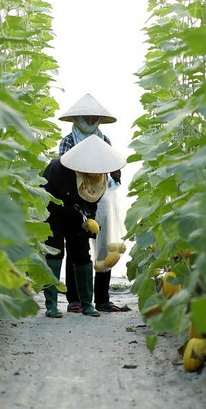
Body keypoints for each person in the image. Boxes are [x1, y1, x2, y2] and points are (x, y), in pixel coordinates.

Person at [41, 134, 126, 318]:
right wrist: (78, 213)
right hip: (53, 211)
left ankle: (87, 304)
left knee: (82, 253)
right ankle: (51, 305)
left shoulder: (97, 176)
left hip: (76, 214)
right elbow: (51, 199)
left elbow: (92, 199)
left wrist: (91, 220)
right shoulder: (60, 169)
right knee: (55, 251)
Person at [56, 94, 127, 313]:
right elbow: (65, 169)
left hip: (102, 196)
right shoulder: (68, 141)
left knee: (105, 245)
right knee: (77, 243)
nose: (89, 121)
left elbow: (112, 171)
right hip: (76, 196)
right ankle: (74, 299)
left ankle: (103, 299)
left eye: (93, 118)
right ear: (77, 119)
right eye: (85, 118)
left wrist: (115, 173)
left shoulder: (105, 141)